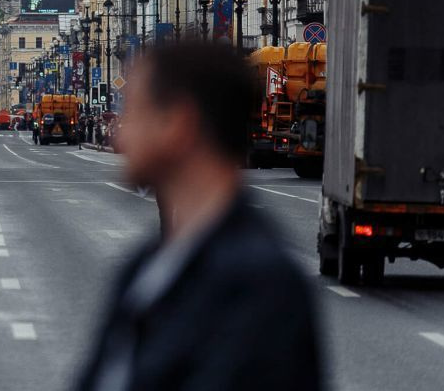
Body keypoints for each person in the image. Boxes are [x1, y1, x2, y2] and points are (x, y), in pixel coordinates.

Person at [75, 40, 322, 391]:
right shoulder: (147, 265)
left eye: (136, 113)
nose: (121, 139)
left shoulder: (259, 286)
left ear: (178, 123)